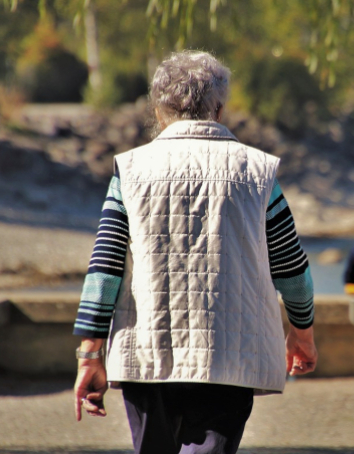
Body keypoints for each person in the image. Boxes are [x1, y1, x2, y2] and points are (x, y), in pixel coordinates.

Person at [72, 51, 318, 454]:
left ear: (159, 108)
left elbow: (105, 268)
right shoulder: (257, 172)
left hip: (148, 353)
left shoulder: (131, 169)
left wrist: (89, 355)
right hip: (230, 357)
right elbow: (292, 268)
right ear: (219, 109)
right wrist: (302, 333)